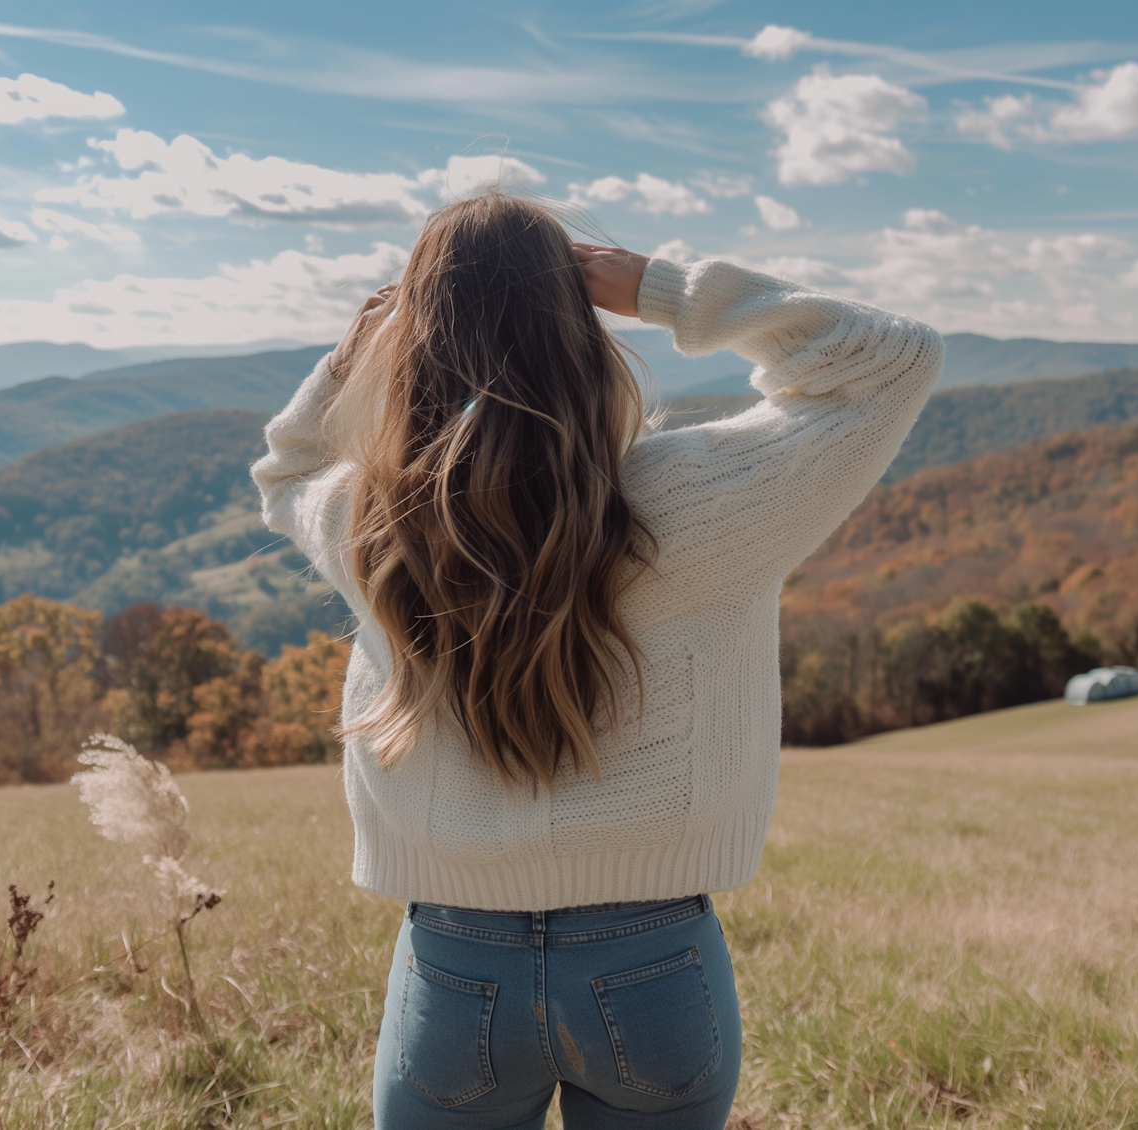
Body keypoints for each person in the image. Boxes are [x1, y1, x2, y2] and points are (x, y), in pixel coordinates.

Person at [251, 191, 942, 1129]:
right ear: (582, 325)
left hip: (455, 964)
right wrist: (660, 288)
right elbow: (891, 361)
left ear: (417, 340)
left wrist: (355, 349)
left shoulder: (377, 519)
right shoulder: (698, 502)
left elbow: (288, 467)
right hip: (657, 957)